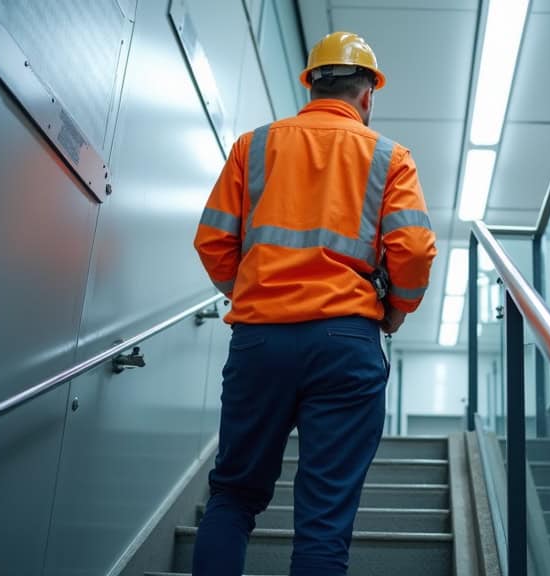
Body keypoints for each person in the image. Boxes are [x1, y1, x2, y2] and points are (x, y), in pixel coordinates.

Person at [191, 31, 437, 576]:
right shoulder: (390, 157)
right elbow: (415, 250)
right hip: (346, 341)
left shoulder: (253, 147)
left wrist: (254, 292)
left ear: (312, 86)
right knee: (324, 523)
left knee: (233, 496)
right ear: (367, 94)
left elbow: (212, 241)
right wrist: (397, 308)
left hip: (260, 340)